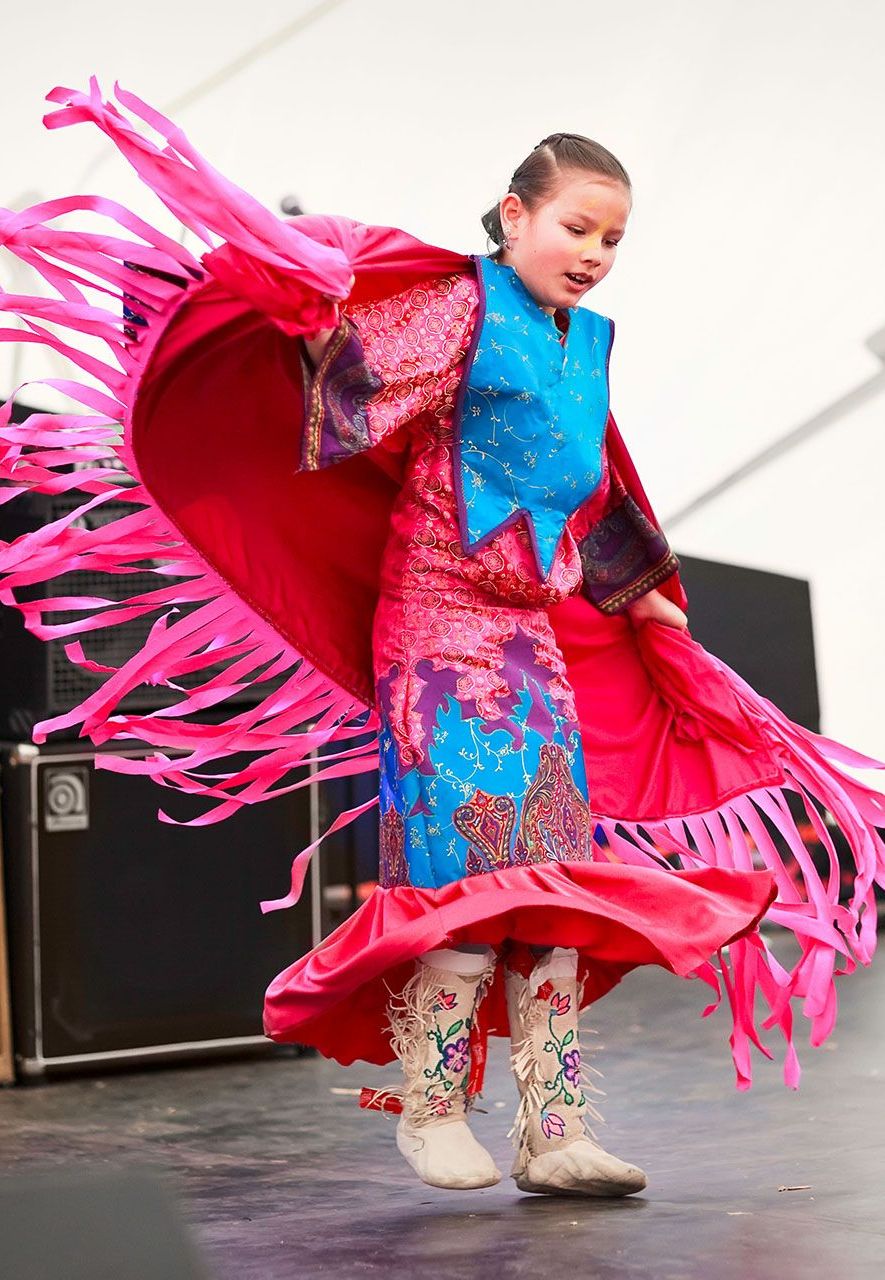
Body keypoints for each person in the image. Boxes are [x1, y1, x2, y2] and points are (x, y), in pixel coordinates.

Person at [1, 86, 882, 1201]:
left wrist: (645, 590)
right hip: (435, 626)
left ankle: (553, 1129)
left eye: (613, 237)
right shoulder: (463, 309)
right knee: (465, 867)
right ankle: (431, 1107)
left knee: (557, 880)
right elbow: (348, 392)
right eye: (576, 226)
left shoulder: (588, 341)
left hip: (529, 640)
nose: (596, 252)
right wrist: (295, 314)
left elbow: (592, 474)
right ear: (513, 216)